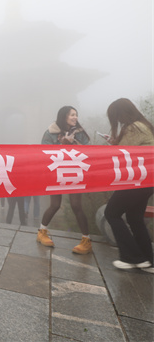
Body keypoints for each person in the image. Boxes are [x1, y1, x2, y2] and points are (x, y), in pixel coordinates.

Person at [104, 98, 154, 273]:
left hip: (137, 180)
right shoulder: (143, 125)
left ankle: (131, 257)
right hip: (147, 180)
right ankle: (148, 261)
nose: (117, 121)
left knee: (111, 213)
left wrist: (113, 145)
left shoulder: (134, 127)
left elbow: (123, 153)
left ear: (122, 113)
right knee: (134, 218)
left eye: (116, 117)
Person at [37, 105, 92, 254]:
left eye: (76, 115)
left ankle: (86, 240)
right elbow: (44, 153)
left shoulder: (80, 134)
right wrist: (61, 145)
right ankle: (42, 232)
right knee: (55, 205)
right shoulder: (50, 133)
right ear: (63, 117)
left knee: (76, 206)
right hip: (57, 172)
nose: (75, 117)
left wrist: (74, 144)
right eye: (72, 115)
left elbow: (89, 152)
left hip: (75, 171)